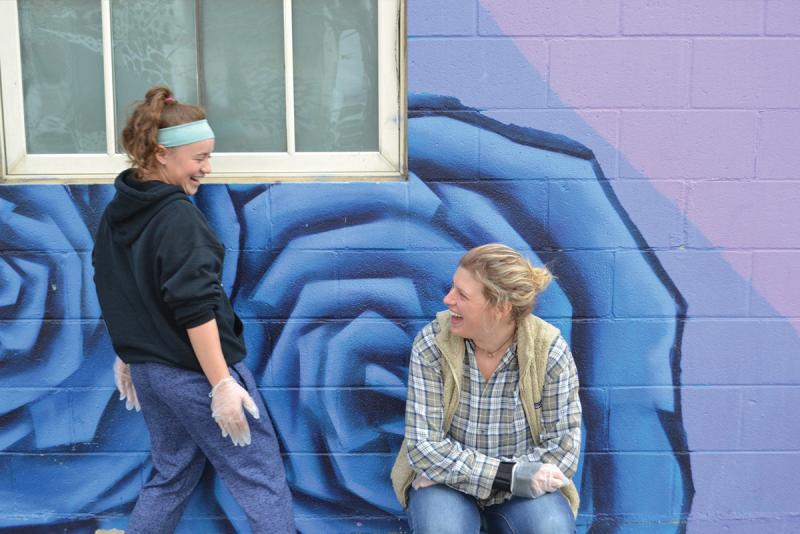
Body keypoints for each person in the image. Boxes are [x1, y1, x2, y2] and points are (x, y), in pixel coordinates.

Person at [92, 85, 295, 533]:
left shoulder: (118, 212)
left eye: (209, 157)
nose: (207, 168)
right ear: (162, 154)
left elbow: (112, 284)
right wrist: (222, 382)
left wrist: (131, 352)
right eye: (198, 158)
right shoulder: (177, 217)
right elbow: (196, 309)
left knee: (172, 474)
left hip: (152, 372)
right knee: (259, 476)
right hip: (195, 373)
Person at [391, 243, 582, 534]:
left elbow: (563, 451)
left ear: (500, 308)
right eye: (452, 288)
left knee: (551, 528)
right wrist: (511, 475)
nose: (447, 299)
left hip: (505, 489)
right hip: (448, 490)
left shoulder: (549, 351)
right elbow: (424, 447)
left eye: (462, 295)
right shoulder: (433, 344)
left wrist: (501, 479)